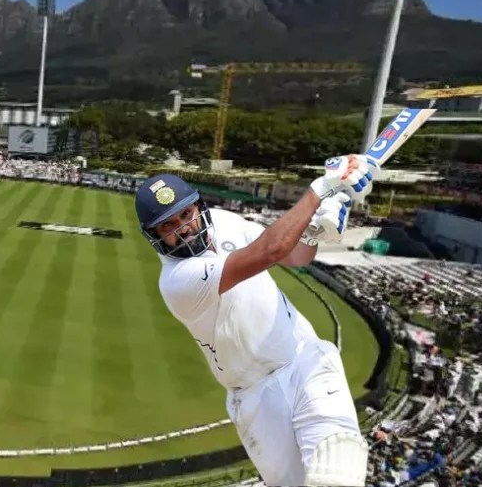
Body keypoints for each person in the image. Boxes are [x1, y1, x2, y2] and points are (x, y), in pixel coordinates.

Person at [135, 155, 379, 487]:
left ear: (199, 207)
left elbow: (296, 256)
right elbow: (271, 251)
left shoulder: (223, 220)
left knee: (337, 473)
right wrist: (321, 189)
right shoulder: (178, 281)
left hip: (304, 358)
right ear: (154, 236)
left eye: (186, 214)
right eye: (168, 225)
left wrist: (316, 230)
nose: (184, 227)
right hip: (254, 398)